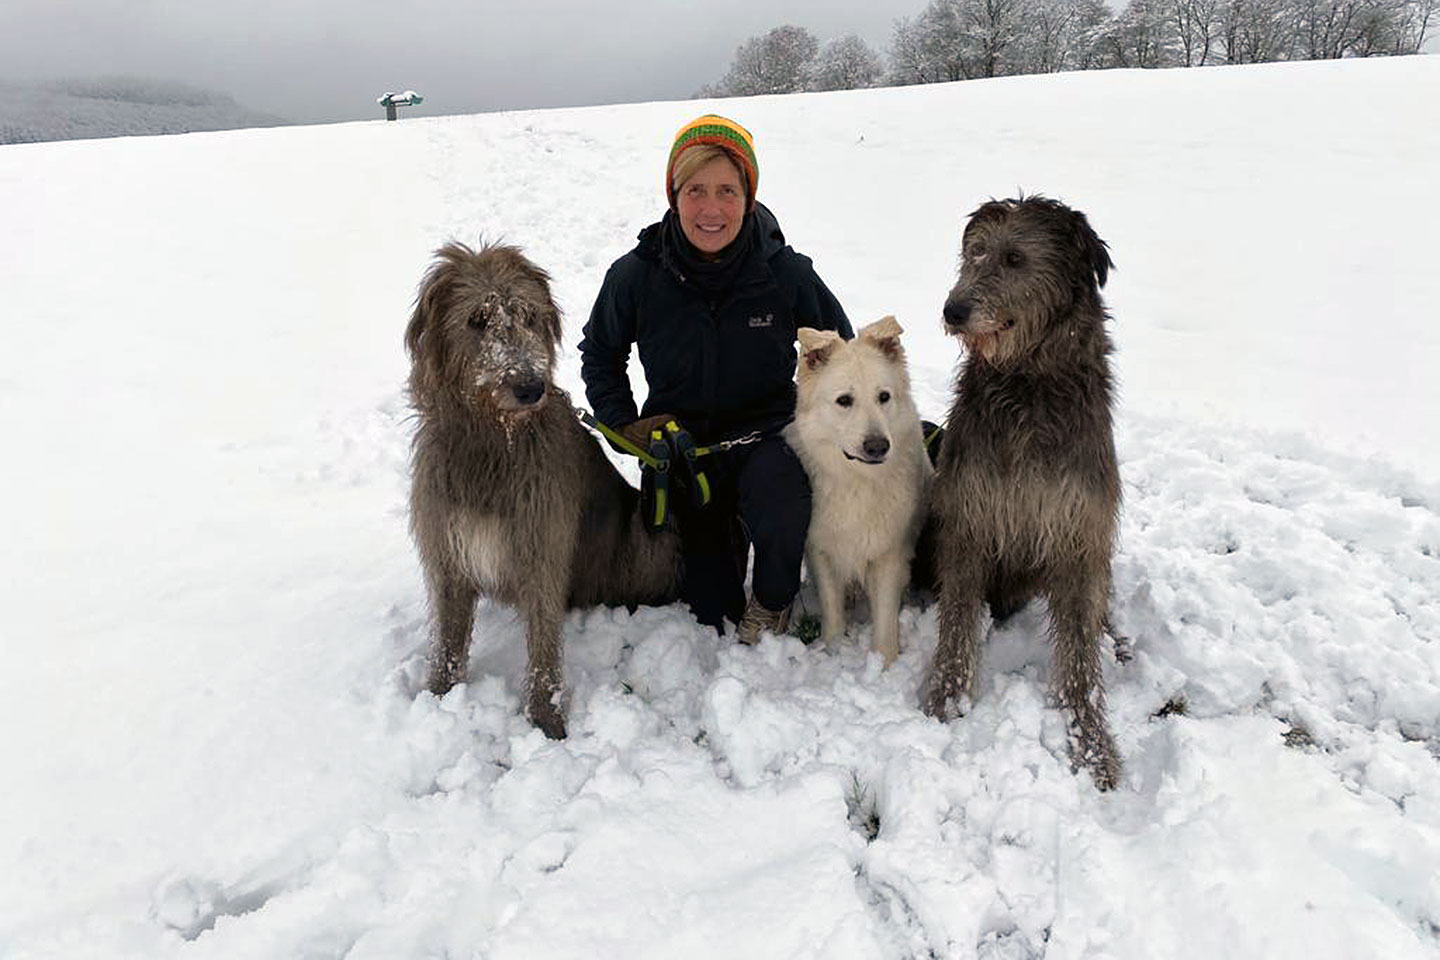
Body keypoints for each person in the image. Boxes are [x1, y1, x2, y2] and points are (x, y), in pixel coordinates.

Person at [579, 114, 853, 643]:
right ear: (673, 196)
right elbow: (601, 354)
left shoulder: (785, 273)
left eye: (727, 190)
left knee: (781, 507)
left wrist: (821, 425)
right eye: (695, 191)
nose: (711, 209)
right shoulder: (636, 275)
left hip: (767, 438)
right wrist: (626, 425)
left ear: (748, 198)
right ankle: (723, 549)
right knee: (711, 607)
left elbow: (841, 353)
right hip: (681, 449)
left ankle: (774, 600)